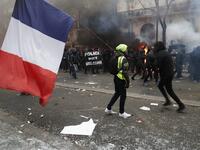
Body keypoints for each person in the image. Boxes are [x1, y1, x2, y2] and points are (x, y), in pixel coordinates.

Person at [154, 41, 185, 113]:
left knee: (169, 90)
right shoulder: (165, 52)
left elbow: (158, 65)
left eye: (155, 47)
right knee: (161, 86)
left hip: (166, 74)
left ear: (158, 47)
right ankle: (169, 101)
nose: (154, 48)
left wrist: (154, 61)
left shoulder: (160, 54)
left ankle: (180, 104)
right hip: (169, 73)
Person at [105, 44, 131, 119]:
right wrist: (128, 82)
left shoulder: (115, 56)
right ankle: (122, 112)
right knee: (123, 95)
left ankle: (108, 108)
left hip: (116, 78)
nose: (127, 51)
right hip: (121, 79)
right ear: (123, 50)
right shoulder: (123, 58)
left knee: (117, 93)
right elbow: (125, 72)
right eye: (126, 49)